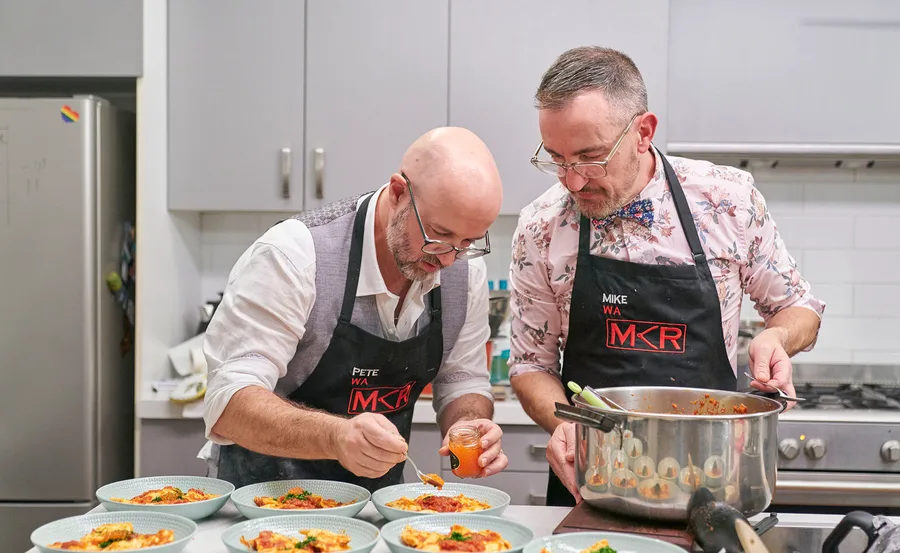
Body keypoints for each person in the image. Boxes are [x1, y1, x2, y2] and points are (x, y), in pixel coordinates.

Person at [507, 46, 826, 506]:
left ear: (643, 132)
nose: (572, 182)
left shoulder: (727, 201)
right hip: (591, 478)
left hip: (712, 475)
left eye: (590, 157)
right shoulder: (541, 227)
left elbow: (799, 310)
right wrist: (566, 428)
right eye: (557, 159)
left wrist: (776, 338)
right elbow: (530, 366)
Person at [199, 127, 509, 492]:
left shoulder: (464, 271)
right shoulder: (295, 255)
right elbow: (230, 405)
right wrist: (335, 437)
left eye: (468, 242)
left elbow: (462, 380)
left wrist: (468, 424)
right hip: (265, 504)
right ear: (397, 193)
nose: (449, 259)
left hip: (376, 505)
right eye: (437, 237)